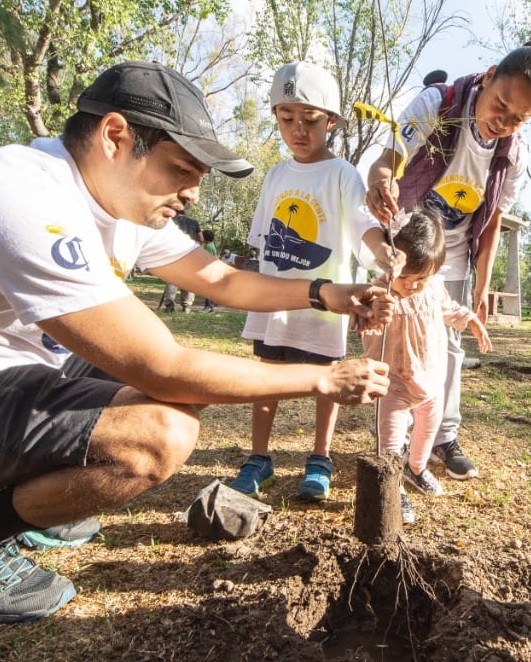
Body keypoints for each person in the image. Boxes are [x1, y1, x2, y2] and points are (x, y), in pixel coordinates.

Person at [0, 60, 392, 628]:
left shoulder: (117, 205)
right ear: (116, 136)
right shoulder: (18, 202)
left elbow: (222, 279)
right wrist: (324, 377)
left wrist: (328, 292)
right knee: (163, 430)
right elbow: (165, 367)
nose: (192, 194)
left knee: (161, 382)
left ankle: (35, 497)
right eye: (182, 169)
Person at [365, 42, 531, 481]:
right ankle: (392, 435)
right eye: (499, 105)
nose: (501, 122)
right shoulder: (439, 103)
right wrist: (382, 180)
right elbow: (389, 158)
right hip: (409, 241)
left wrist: (481, 286)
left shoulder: (515, 154)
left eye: (517, 119)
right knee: (392, 336)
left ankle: (441, 437)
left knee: (448, 345)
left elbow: (491, 224)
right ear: (488, 77)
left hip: (454, 253)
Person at [230, 61, 400, 503]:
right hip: (274, 300)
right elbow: (262, 239)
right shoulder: (276, 175)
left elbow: (364, 225)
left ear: (332, 121)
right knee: (266, 375)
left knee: (329, 376)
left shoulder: (342, 173)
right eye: (287, 119)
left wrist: (383, 252)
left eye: (310, 121)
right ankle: (259, 458)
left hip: (328, 303)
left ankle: (320, 457)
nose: (297, 131)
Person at [360, 209, 492, 525]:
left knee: (426, 433)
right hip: (393, 385)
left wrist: (470, 319)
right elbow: (361, 320)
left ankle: (416, 468)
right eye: (406, 277)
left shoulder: (432, 286)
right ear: (390, 262)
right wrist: (373, 314)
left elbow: (448, 308)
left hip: (430, 381)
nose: (414, 286)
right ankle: (393, 489)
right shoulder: (380, 291)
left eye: (422, 278)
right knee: (390, 443)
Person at [157, 213, 202, 312]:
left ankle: (169, 304)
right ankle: (187, 306)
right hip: (190, 254)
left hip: (174, 253)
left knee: (172, 280)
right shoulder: (194, 222)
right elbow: (201, 238)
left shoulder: (171, 222)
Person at [199, 229, 219, 311]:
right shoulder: (210, 245)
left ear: (205, 237)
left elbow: (207, 259)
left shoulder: (208, 247)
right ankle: (210, 308)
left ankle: (208, 306)